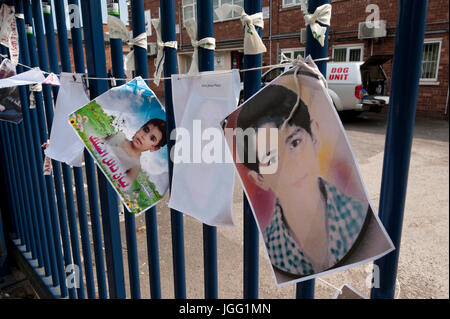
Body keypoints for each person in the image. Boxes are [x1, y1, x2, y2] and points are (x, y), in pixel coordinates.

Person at [236, 83, 368, 277]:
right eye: (271, 158)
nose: (290, 164)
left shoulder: (358, 216)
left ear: (314, 135)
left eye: (295, 143)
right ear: (259, 179)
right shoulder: (274, 247)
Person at [103, 118, 167, 189]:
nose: (144, 136)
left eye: (152, 138)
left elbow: (124, 186)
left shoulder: (135, 166)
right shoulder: (118, 137)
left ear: (154, 148)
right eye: (145, 130)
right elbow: (97, 141)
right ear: (139, 129)